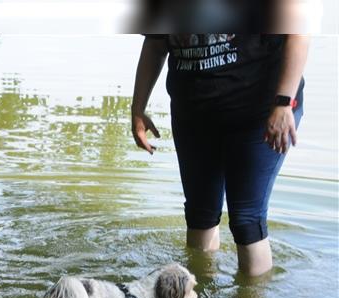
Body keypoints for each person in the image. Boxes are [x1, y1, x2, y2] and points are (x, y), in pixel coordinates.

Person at [131, 35, 309, 277]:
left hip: (261, 111)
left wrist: (284, 102)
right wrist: (138, 108)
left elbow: (297, 31)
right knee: (199, 215)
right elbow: (155, 43)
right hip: (194, 111)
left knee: (247, 222)